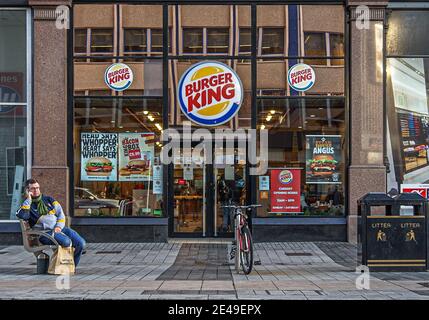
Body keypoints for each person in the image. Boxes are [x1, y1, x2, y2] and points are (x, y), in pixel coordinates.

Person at [16, 178, 86, 268]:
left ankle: (71, 267)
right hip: (44, 234)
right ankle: (65, 266)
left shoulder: (49, 199)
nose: (36, 190)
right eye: (33, 188)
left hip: (59, 229)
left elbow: (61, 215)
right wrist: (29, 199)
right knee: (66, 241)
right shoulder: (27, 205)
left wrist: (59, 227)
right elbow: (22, 216)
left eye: (37, 187)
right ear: (27, 190)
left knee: (81, 243)